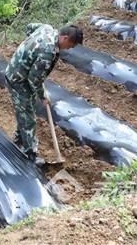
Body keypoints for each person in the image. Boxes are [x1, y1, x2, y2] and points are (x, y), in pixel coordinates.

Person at [5, 23, 83, 166]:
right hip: (18, 79)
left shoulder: (47, 28)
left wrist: (29, 49)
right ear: (64, 38)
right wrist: (42, 96)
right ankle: (30, 153)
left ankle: (19, 138)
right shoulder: (48, 52)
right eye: (70, 45)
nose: (69, 49)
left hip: (17, 70)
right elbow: (33, 79)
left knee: (26, 109)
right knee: (28, 116)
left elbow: (29, 27)